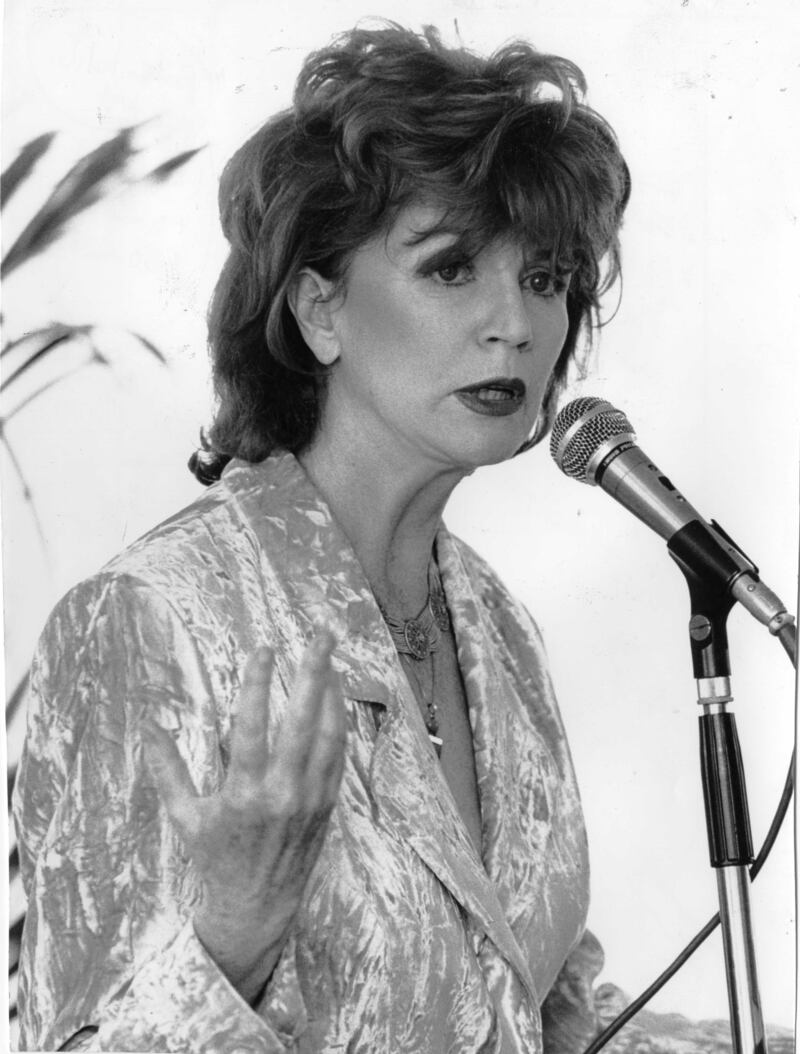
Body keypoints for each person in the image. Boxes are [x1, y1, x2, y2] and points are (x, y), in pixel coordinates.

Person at [13, 23, 630, 1053]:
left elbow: (539, 1018)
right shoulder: (150, 617)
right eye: (449, 269)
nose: (514, 323)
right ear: (317, 310)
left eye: (546, 276)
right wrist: (232, 936)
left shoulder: (497, 628)